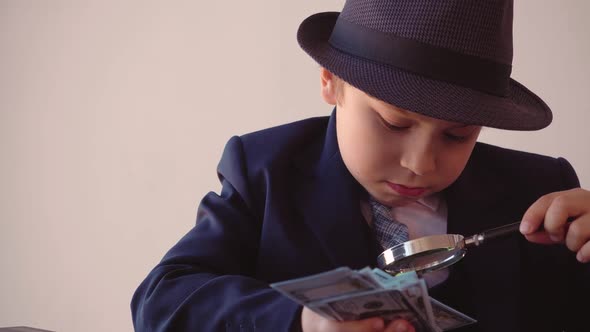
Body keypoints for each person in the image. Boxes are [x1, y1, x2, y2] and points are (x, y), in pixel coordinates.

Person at [130, 0, 590, 331]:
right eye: (393, 123)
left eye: (457, 135)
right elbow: (163, 301)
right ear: (331, 83)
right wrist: (300, 322)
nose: (419, 163)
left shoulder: (541, 192)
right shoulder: (264, 171)